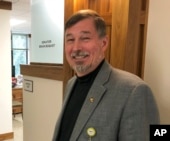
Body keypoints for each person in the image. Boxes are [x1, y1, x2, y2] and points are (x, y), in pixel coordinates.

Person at [52, 9, 159, 141]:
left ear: (104, 43)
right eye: (70, 40)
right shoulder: (71, 83)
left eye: (85, 38)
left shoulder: (135, 91)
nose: (76, 48)